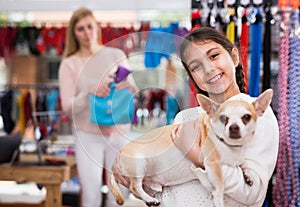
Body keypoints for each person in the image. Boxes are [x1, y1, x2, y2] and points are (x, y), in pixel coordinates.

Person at [112, 27, 279, 206]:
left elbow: (252, 193)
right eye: (196, 66)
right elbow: (165, 190)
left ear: (235, 57)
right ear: (192, 77)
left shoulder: (255, 114)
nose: (208, 69)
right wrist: (135, 172)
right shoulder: (185, 118)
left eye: (214, 56)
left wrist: (199, 158)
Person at [58, 7, 138, 207]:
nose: (86, 33)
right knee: (91, 196)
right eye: (80, 29)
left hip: (119, 134)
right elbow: (67, 107)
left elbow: (134, 90)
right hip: (88, 136)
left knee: (119, 194)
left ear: (97, 27)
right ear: (73, 33)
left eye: (89, 27)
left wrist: (127, 86)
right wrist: (89, 93)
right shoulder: (70, 64)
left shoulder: (116, 54)